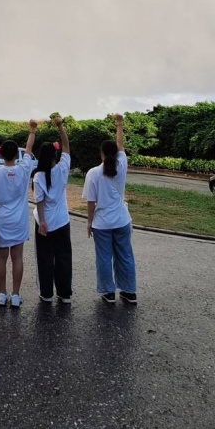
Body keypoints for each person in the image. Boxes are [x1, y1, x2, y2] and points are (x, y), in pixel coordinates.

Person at [82, 113, 137, 304]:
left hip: (102, 223)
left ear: (102, 153)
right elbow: (121, 145)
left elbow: (91, 201)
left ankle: (108, 292)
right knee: (125, 255)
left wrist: (89, 223)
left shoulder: (93, 173)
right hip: (122, 220)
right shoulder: (122, 166)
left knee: (104, 258)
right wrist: (120, 124)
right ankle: (129, 292)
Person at [0, 120, 38, 307]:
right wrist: (32, 129)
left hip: (1, 222)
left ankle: (1, 294)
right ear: (17, 154)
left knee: (1, 257)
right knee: (18, 258)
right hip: (19, 221)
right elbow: (29, 148)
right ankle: (15, 295)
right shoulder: (24, 169)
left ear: (1, 154)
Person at [33, 115, 73, 304]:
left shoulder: (38, 176)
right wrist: (60, 126)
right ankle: (64, 294)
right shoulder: (63, 168)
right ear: (55, 156)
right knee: (64, 258)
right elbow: (66, 146)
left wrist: (42, 222)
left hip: (45, 223)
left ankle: (47, 293)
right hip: (63, 221)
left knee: (45, 258)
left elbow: (39, 202)